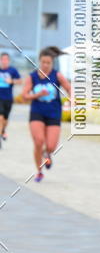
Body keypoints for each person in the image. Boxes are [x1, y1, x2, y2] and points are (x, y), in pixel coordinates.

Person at [21, 47, 71, 182]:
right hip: (37, 112)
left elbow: (69, 88)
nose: (45, 65)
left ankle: (46, 153)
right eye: (43, 62)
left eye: (48, 62)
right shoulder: (32, 77)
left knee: (51, 146)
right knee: (38, 141)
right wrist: (37, 94)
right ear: (39, 62)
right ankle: (39, 171)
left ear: (52, 63)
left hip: (54, 113)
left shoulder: (57, 75)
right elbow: (24, 96)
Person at [0, 51, 21, 146]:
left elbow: (20, 81)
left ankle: (3, 130)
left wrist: (11, 81)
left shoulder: (12, 70)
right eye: (3, 59)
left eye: (6, 60)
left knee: (5, 119)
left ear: (8, 61)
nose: (4, 61)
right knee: (0, 118)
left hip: (8, 98)